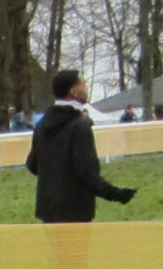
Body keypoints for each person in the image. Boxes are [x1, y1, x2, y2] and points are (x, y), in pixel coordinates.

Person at [25, 69, 137, 224]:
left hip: (48, 208)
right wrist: (117, 194)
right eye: (83, 84)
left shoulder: (41, 125)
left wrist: (55, 176)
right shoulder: (80, 126)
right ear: (73, 91)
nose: (86, 88)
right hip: (75, 208)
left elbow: (32, 165)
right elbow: (87, 173)